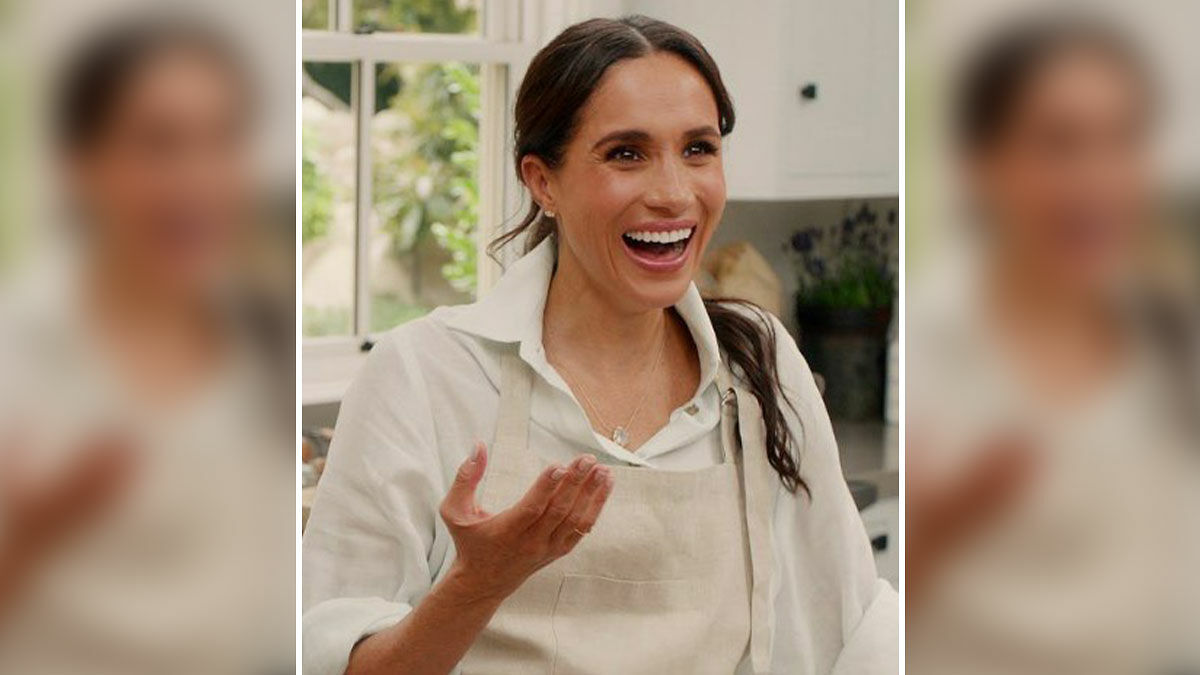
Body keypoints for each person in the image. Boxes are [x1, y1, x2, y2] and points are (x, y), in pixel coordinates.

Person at [303, 15, 896, 675]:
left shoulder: (758, 362)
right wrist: (479, 583)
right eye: (625, 153)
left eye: (698, 148)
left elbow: (853, 623)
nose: (674, 193)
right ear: (542, 180)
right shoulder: (423, 376)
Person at [906, 15, 1200, 674]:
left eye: (1123, 140)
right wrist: (934, 537)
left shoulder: (1171, 335)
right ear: (981, 166)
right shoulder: (932, 363)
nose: (1099, 178)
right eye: (1060, 143)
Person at [0, 15, 294, 674]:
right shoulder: (18, 356)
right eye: (159, 144)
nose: (199, 178)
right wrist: (30, 537)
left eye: (222, 141)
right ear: (78, 167)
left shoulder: (262, 344)